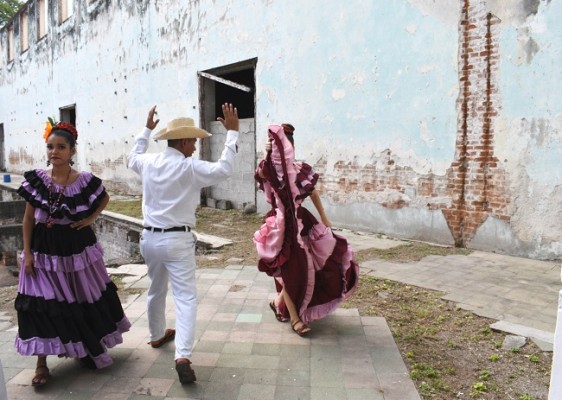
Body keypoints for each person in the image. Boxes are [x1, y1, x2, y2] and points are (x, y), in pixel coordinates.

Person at [128, 104, 239, 384]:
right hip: (177, 239)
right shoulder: (189, 167)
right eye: (194, 142)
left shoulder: (150, 163)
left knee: (156, 289)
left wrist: (146, 129)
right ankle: (182, 355)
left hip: (149, 238)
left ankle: (155, 335)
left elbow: (132, 158)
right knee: (186, 297)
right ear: (185, 140)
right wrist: (233, 134)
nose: (195, 147)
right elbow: (224, 169)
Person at [15, 119, 131, 387]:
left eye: (61, 147)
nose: (54, 152)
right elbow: (27, 219)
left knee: (80, 300)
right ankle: (41, 364)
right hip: (43, 250)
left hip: (76, 249)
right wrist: (28, 253)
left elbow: (104, 198)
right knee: (40, 305)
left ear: (72, 151)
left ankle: (84, 348)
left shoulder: (84, 181)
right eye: (50, 147)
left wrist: (90, 219)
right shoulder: (37, 180)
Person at [253, 123, 359, 336]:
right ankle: (295, 319)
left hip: (303, 222)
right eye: (278, 146)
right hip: (281, 227)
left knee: (313, 264)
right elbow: (264, 174)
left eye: (285, 146)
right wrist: (267, 153)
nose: (283, 150)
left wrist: (324, 218)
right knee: (291, 270)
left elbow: (313, 193)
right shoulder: (267, 170)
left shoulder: (300, 169)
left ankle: (278, 302)